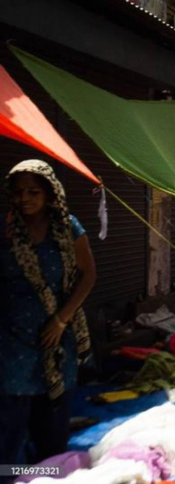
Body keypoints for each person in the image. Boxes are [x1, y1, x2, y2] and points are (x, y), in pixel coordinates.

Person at [0, 160, 96, 466]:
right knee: (9, 424)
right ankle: (10, 474)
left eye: (33, 192)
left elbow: (88, 276)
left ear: (49, 193)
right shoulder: (5, 229)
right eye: (18, 192)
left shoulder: (68, 227)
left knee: (52, 422)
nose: (24, 198)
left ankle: (49, 472)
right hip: (12, 339)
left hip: (57, 338)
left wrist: (60, 320)